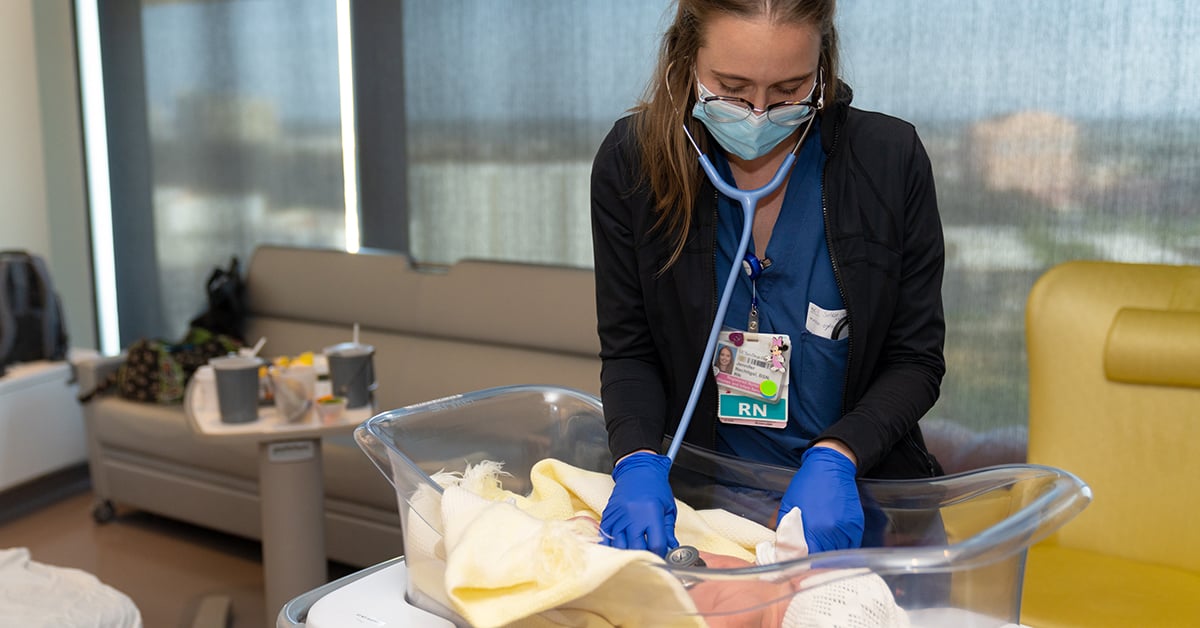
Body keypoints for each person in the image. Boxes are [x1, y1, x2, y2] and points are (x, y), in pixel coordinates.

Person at [591, 0, 946, 558]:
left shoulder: (887, 161)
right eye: (731, 88)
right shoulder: (632, 164)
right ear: (683, 63)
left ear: (823, 67)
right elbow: (631, 350)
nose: (759, 113)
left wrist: (839, 454)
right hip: (698, 519)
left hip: (853, 508)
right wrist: (635, 460)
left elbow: (916, 360)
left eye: (789, 90)